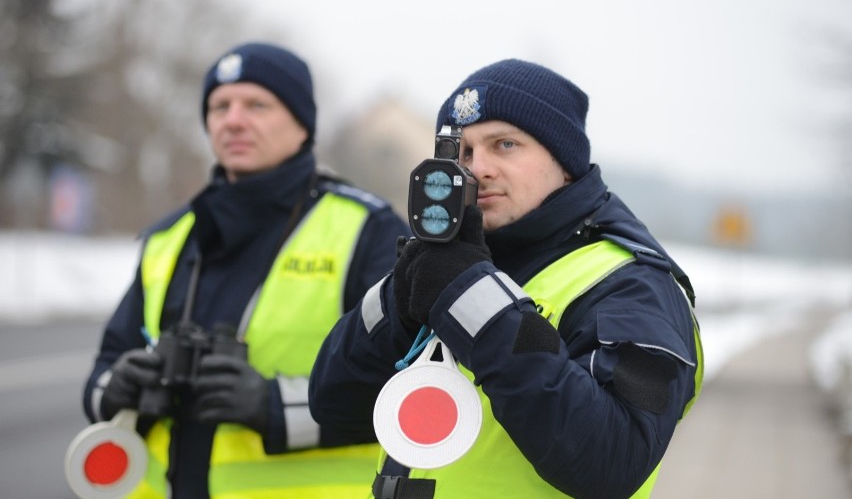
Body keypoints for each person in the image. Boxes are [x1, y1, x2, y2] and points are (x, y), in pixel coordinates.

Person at [309, 59, 703, 499]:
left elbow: (611, 459)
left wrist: (474, 300)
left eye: (505, 145)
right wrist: (403, 293)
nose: (479, 170)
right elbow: (334, 404)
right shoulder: (445, 261)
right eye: (464, 152)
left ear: (565, 161)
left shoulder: (634, 285)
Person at [82, 42, 410, 499]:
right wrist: (116, 388)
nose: (233, 119)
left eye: (257, 104)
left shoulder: (368, 231)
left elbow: (408, 391)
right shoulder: (169, 238)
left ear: (302, 125)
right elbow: (103, 370)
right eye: (219, 106)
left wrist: (274, 406)